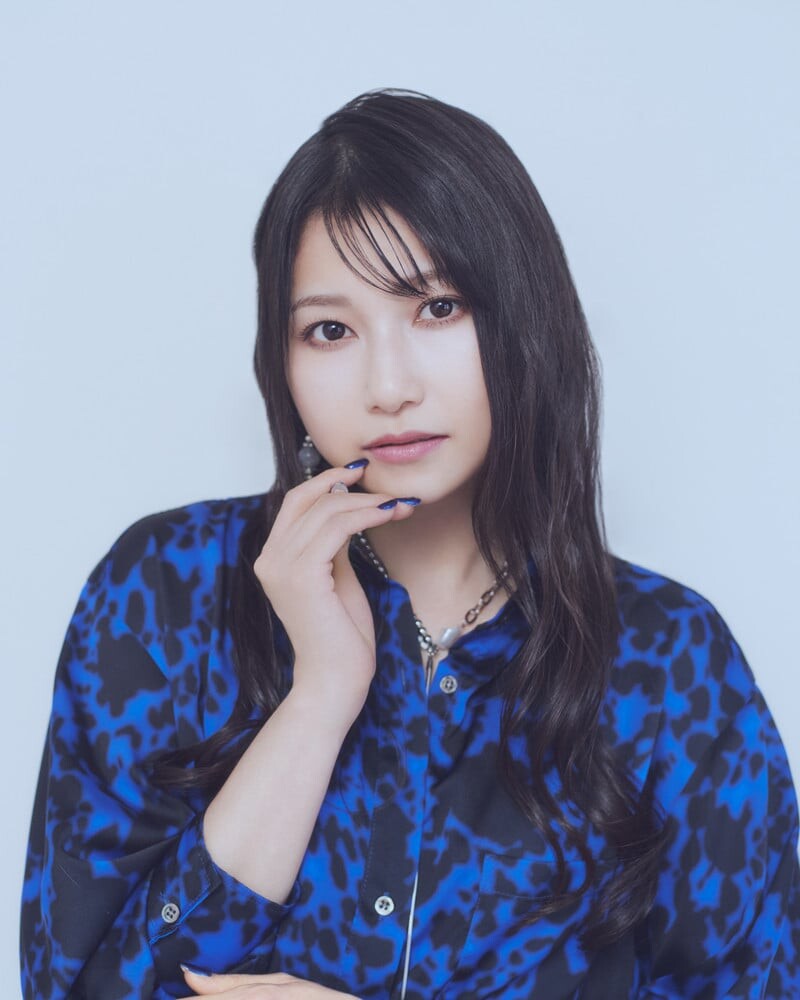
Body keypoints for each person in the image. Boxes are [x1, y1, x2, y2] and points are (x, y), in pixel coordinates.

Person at [20, 88, 799, 1000]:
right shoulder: (165, 592)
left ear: (524, 319)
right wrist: (319, 699)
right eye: (331, 330)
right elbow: (74, 983)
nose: (388, 386)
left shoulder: (667, 657)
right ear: (282, 361)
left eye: (438, 308)